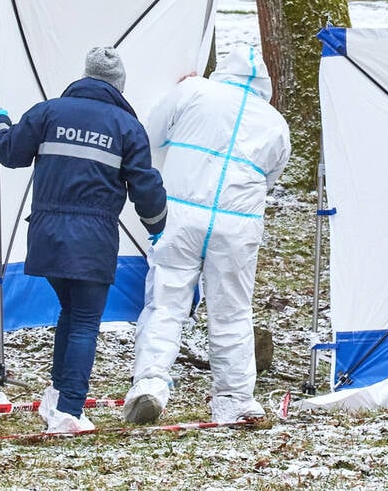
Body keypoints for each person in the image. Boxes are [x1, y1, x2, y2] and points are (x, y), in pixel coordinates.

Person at [0, 46, 167, 433]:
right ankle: (70, 410)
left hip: (46, 232)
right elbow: (145, 186)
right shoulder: (126, 127)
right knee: (85, 320)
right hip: (93, 237)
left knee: (70, 313)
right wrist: (157, 225)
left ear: (84, 76)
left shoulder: (48, 112)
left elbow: (11, 152)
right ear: (119, 84)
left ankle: (56, 396)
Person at [123, 45, 291, 425]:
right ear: (264, 84)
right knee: (233, 310)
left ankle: (150, 384)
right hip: (238, 224)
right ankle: (234, 399)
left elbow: (151, 134)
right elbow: (271, 177)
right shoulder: (275, 122)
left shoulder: (195, 91)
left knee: (166, 302)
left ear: (224, 71)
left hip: (182, 214)